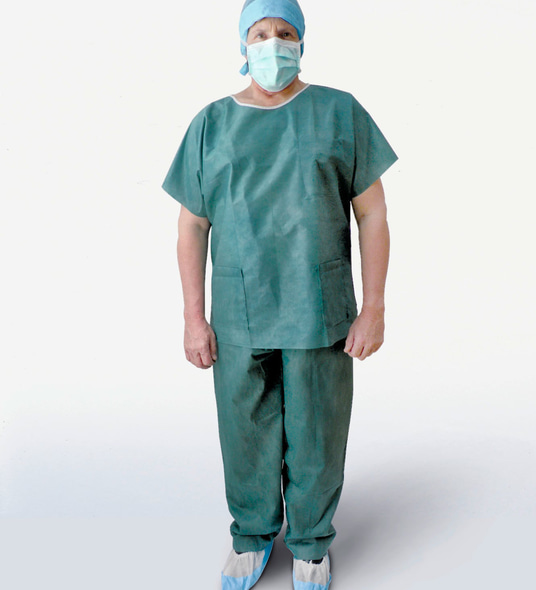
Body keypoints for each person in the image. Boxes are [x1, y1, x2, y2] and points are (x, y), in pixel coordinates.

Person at [162, 1, 398, 588]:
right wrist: (193, 318)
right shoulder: (212, 123)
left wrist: (374, 307)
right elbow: (192, 225)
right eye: (260, 33)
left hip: (318, 306)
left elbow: (372, 214)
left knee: (318, 429)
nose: (273, 43)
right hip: (238, 308)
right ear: (243, 45)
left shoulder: (338, 112)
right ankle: (251, 536)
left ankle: (312, 543)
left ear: (302, 42)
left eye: (284, 32)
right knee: (245, 428)